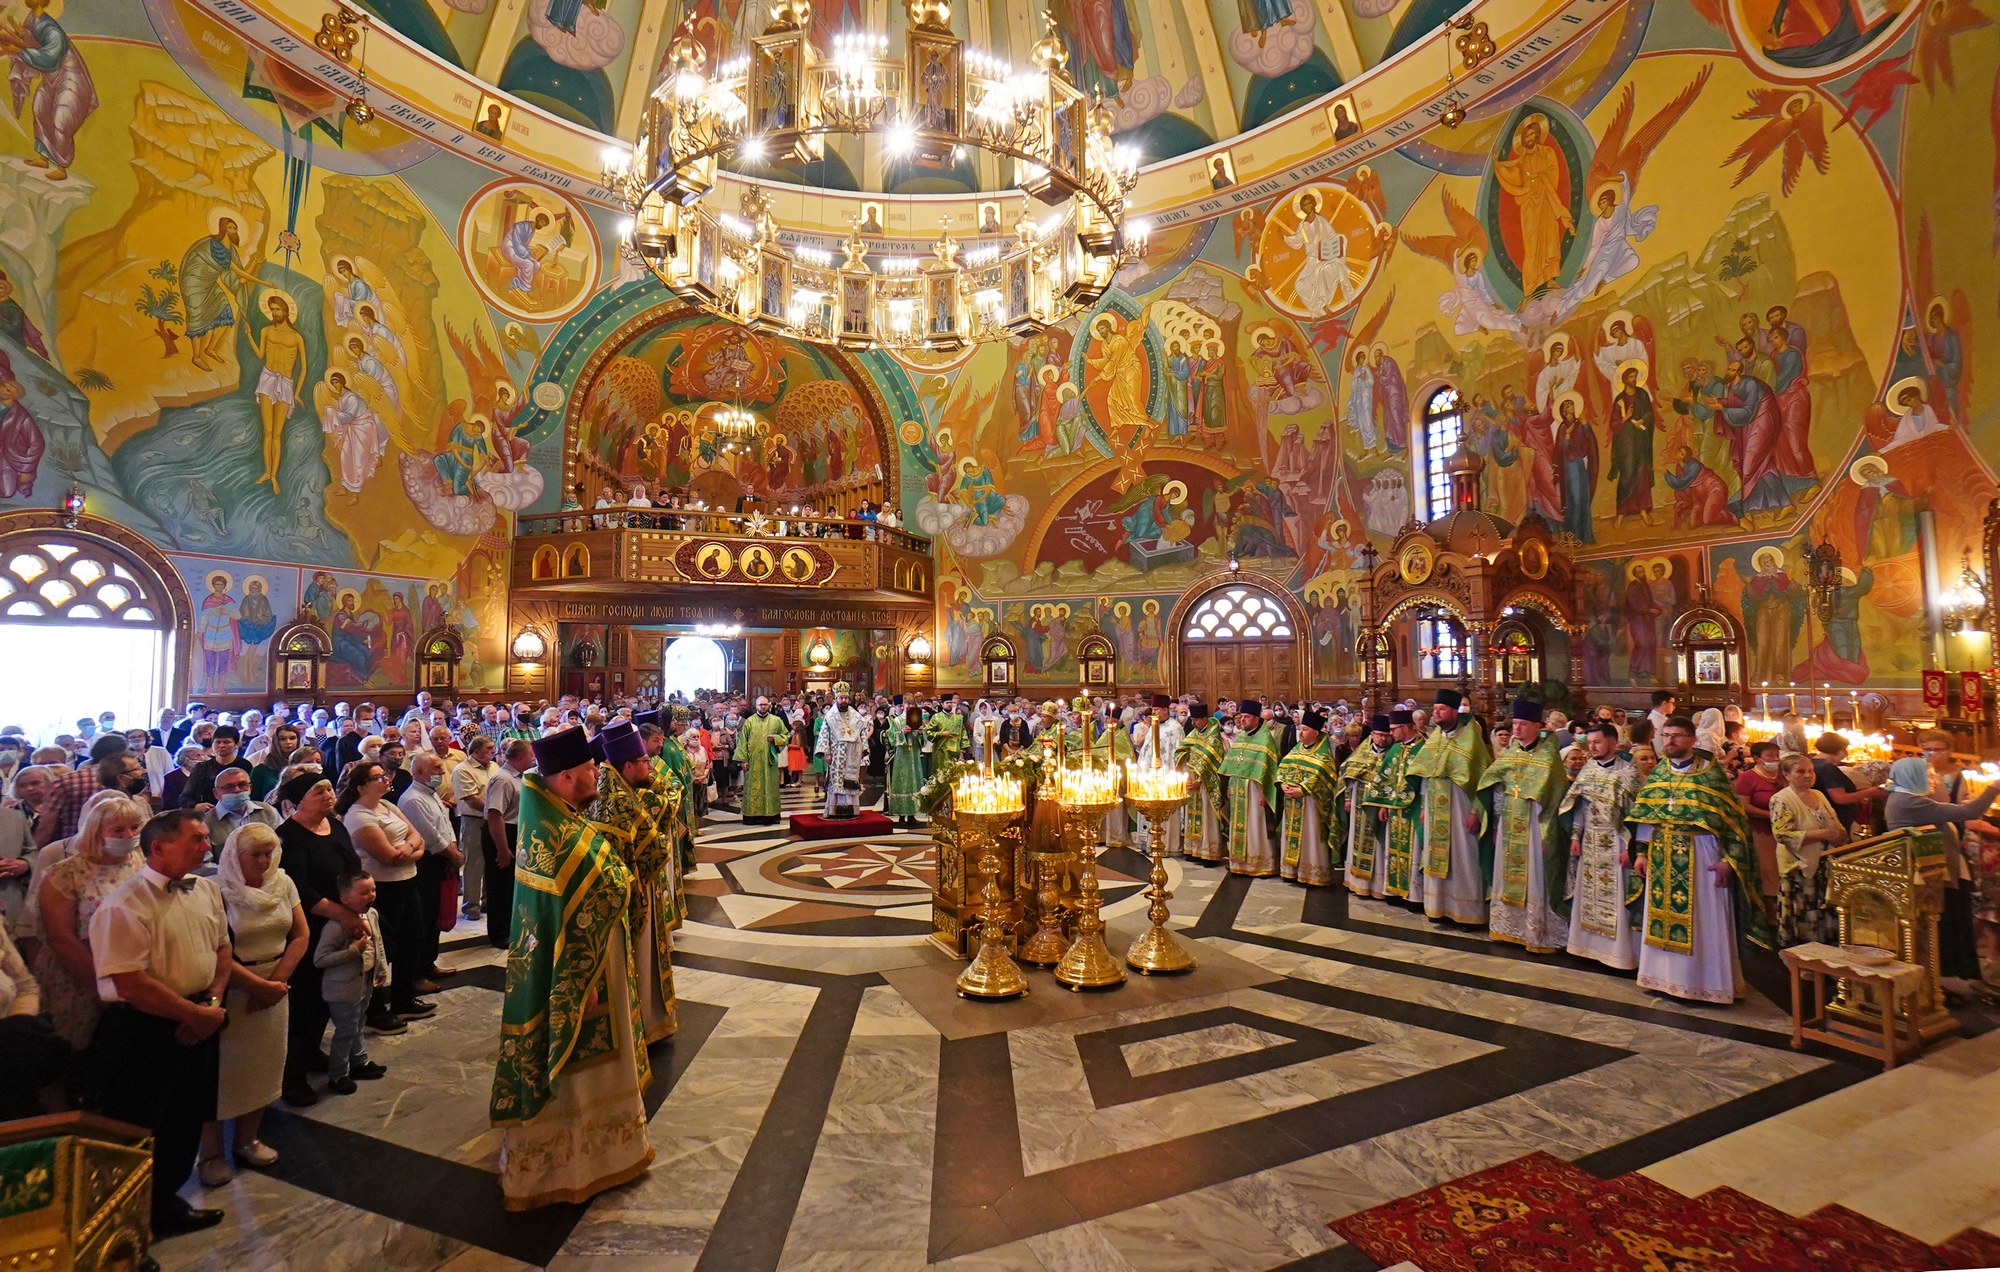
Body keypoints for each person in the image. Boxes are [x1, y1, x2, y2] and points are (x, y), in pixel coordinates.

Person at [490, 726, 653, 1210]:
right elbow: (548, 922)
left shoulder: (563, 815)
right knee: (577, 1076)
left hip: (602, 963)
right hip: (581, 979)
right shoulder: (551, 833)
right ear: (564, 777)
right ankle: (568, 1164)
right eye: (588, 772)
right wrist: (575, 985)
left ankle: (606, 1152)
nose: (596, 778)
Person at [90, 808, 232, 1237]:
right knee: (137, 1129)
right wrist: (192, 1015)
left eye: (207, 838)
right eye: (197, 840)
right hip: (143, 1030)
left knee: (184, 1120)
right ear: (159, 847)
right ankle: (124, 1230)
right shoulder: (123, 905)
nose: (208, 847)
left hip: (198, 1016)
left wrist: (208, 1006)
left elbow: (223, 951)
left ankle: (164, 1206)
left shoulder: (205, 889)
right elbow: (129, 982)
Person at [1627, 715, 1767, 1003]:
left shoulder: (1710, 774)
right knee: (1662, 917)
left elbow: (1734, 823)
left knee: (1704, 919)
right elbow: (1646, 815)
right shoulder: (1660, 771)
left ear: (1692, 739)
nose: (1669, 741)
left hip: (1702, 852)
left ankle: (1706, 983)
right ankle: (1663, 978)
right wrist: (1641, 853)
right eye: (1666, 735)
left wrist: (1729, 861)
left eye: (1676, 736)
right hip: (1662, 852)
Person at [198, 823, 307, 1185]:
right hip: (232, 986)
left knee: (264, 1067)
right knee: (220, 1075)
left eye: (269, 853)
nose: (264, 860)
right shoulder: (215, 890)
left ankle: (248, 1139)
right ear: (234, 855)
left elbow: (300, 934)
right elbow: (215, 950)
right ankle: (210, 1153)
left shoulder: (283, 883)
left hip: (275, 986)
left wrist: (276, 982)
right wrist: (257, 986)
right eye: (255, 854)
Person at [582, 721, 681, 1042]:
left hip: (623, 888)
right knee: (639, 958)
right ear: (627, 765)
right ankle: (646, 1025)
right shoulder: (622, 800)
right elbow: (656, 848)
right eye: (644, 763)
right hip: (634, 890)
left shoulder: (614, 787)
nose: (650, 768)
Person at [23, 793, 144, 1051]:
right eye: (119, 829)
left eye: (135, 828)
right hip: (80, 973)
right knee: (77, 1051)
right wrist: (101, 985)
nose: (128, 835)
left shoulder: (140, 862)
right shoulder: (66, 872)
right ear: (96, 832)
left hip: (133, 970)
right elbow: (61, 939)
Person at [1885, 743, 1999, 994]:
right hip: (1927, 876)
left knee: (1949, 924)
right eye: (1927, 775)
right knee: (1940, 928)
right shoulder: (1910, 802)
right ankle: (1937, 984)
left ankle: (1944, 980)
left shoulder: (1911, 797)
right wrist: (1994, 787)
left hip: (1936, 872)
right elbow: (1970, 811)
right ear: (1912, 776)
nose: (1933, 780)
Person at [275, 771, 361, 1105]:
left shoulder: (335, 826)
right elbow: (300, 888)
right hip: (308, 927)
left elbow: (351, 866)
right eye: (318, 791)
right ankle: (291, 1077)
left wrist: (357, 902)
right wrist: (342, 913)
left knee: (329, 995)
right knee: (306, 1002)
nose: (328, 795)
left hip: (340, 921)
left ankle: (312, 1053)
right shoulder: (289, 836)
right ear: (298, 801)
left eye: (329, 789)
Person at [336, 761, 434, 1028]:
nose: (386, 779)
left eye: (384, 775)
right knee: (382, 948)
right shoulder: (358, 814)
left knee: (412, 940)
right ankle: (375, 1009)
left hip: (408, 880)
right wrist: (407, 851)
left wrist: (407, 850)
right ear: (362, 786)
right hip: (380, 888)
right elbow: (386, 857)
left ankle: (404, 999)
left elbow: (418, 837)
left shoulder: (387, 805)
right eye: (378, 777)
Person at [1478, 698, 1572, 953]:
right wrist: (1495, 823)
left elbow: (1554, 801)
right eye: (1515, 724)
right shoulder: (1510, 754)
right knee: (1506, 874)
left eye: (1523, 724)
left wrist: (1546, 834)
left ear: (1537, 726)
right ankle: (1508, 927)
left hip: (1534, 825)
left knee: (1534, 876)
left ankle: (1535, 932)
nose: (1517, 730)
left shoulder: (1549, 757)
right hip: (1509, 822)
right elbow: (1495, 788)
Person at [1406, 688, 1493, 925]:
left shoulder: (1471, 739)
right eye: (1434, 709)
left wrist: (1476, 811)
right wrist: (1423, 805)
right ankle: (1439, 908)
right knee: (1436, 855)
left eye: (1441, 709)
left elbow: (1482, 780)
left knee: (1463, 858)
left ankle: (1467, 914)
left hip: (1461, 809)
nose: (1437, 714)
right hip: (1435, 808)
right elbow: (1426, 775)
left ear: (1455, 711)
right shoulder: (1435, 738)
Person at [1560, 721, 1642, 970]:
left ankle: (1618, 954)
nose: (1592, 747)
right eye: (1589, 742)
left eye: (1597, 742)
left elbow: (1635, 814)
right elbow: (1578, 808)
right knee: (1587, 894)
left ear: (1613, 743)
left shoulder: (1629, 773)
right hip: (1590, 842)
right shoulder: (1587, 771)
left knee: (1616, 895)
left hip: (1616, 843)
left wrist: (1630, 847)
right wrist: (1575, 836)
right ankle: (1587, 947)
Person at [312, 871, 389, 1094]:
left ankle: (360, 1062)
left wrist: (381, 967)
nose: (371, 895)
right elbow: (320, 959)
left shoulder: (372, 914)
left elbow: (378, 942)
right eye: (363, 892)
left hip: (365, 980)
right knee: (346, 1030)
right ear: (345, 899)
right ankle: (338, 1075)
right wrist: (353, 950)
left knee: (359, 1021)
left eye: (373, 890)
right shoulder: (335, 927)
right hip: (343, 988)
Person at [1768, 753, 1845, 947]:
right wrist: (1824, 834)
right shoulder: (1782, 799)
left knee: (1824, 911)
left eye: (1810, 771)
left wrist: (1840, 833)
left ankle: (1826, 954)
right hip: (1799, 865)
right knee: (1804, 913)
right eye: (1800, 772)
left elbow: (1833, 821)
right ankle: (1805, 958)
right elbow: (1782, 835)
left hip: (1824, 862)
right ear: (1786, 774)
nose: (1808, 775)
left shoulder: (1818, 795)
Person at [399, 752, 460, 991]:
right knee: (422, 919)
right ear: (419, 772)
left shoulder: (431, 794)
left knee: (434, 914)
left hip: (441, 858)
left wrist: (454, 847)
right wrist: (452, 854)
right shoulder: (413, 799)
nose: (441, 773)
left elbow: (445, 825)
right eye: (436, 769)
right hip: (426, 861)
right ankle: (416, 973)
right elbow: (430, 835)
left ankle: (429, 963)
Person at [1362, 709, 1423, 900]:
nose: (1391, 734)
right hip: (1393, 811)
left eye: (1394, 729)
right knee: (1393, 851)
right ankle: (1394, 891)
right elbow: (1385, 780)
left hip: (1413, 809)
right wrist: (1383, 805)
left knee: (1413, 852)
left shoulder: (1424, 750)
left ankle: (1413, 896)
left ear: (1405, 728)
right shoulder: (1396, 750)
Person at [1276, 709, 1340, 887]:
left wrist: (1302, 790)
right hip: (1291, 802)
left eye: (1304, 729)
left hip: (1312, 805)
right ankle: (1291, 871)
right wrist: (1283, 784)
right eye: (1300, 729)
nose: (1300, 733)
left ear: (1315, 732)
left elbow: (1322, 778)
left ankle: (1312, 873)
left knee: (1310, 837)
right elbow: (1283, 768)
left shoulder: (1324, 756)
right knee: (1291, 835)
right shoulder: (1296, 750)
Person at [1220, 700, 1281, 877]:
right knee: (1238, 825)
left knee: (1256, 826)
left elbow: (1269, 769)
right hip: (1238, 789)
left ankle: (1259, 863)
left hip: (1255, 791)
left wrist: (1265, 792)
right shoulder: (1242, 738)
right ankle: (1239, 863)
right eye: (1241, 717)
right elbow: (1233, 766)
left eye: (1247, 717)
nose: (1243, 721)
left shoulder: (1265, 739)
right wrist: (1231, 785)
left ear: (1256, 719)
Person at [482, 740, 533, 950]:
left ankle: (511, 927)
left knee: (510, 886)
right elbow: (495, 815)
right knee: (499, 886)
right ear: (520, 757)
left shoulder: (520, 777)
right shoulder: (502, 779)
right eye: (531, 755)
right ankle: (499, 933)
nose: (533, 759)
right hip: (501, 834)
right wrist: (503, 849)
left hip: (514, 832)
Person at [1341, 715, 1392, 896]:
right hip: (1360, 805)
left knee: (1380, 847)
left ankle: (1378, 886)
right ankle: (1359, 883)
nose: (1382, 739)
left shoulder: (1393, 755)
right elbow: (1348, 775)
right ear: (1372, 735)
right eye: (1379, 735)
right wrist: (1347, 798)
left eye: (1386, 735)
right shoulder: (1361, 753)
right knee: (1358, 841)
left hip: (1382, 808)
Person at [1734, 741, 1785, 908]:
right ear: (1757, 759)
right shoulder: (1747, 778)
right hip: (1761, 831)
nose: (1775, 759)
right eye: (1770, 756)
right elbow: (1744, 806)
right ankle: (1769, 912)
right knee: (1768, 871)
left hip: (1785, 830)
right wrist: (1770, 815)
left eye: (1776, 755)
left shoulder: (1782, 775)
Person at [453, 734, 499, 921]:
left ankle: (490, 900)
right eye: (488, 749)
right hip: (474, 820)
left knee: (494, 861)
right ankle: (471, 905)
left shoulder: (494, 766)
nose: (493, 752)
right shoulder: (462, 770)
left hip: (495, 819)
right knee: (474, 864)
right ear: (476, 751)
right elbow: (472, 799)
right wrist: (495, 810)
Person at [1178, 704, 1227, 864]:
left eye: (1197, 719)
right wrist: (1185, 776)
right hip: (1192, 782)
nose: (1194, 723)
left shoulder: (1214, 737)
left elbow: (1211, 760)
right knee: (1192, 816)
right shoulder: (1195, 733)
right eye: (1193, 719)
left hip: (1206, 785)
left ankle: (1209, 853)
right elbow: (1181, 750)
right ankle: (1194, 850)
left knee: (1207, 817)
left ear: (1205, 719)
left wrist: (1199, 780)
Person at [203, 764, 280, 857]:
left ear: (250, 788)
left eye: (242, 784)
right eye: (229, 786)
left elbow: (282, 845)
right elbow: (204, 863)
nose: (237, 790)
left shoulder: (268, 811)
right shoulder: (205, 823)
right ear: (216, 793)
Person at [734, 697, 788, 825]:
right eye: (760, 705)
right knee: (753, 788)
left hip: (769, 761)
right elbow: (742, 742)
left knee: (770, 787)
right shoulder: (749, 721)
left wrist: (775, 738)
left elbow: (786, 736)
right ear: (756, 706)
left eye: (765, 705)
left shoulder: (776, 720)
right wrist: (743, 760)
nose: (763, 707)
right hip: (753, 762)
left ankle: (771, 816)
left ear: (769, 705)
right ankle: (752, 816)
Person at [180, 725, 251, 811]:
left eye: (226, 742)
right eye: (217, 742)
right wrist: (195, 806)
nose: (221, 745)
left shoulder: (244, 765)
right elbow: (185, 797)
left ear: (236, 745)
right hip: (209, 813)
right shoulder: (202, 767)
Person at [885, 704, 926, 829]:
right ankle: (901, 815)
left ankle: (912, 815)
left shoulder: (918, 720)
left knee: (914, 782)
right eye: (908, 706)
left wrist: (920, 733)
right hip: (902, 756)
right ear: (904, 706)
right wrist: (902, 732)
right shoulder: (896, 721)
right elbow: (891, 738)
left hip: (914, 754)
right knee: (902, 783)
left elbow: (923, 740)